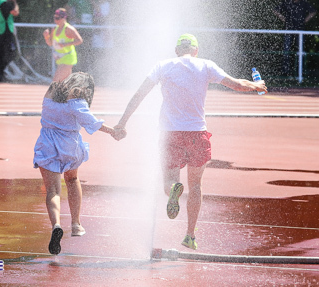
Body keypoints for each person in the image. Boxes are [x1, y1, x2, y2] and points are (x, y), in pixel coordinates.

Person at [114, 34, 267, 250]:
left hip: (170, 133)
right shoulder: (206, 65)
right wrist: (256, 85)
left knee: (169, 180)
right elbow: (236, 84)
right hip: (197, 133)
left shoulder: (163, 66)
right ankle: (190, 235)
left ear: (177, 50)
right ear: (195, 50)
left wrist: (122, 123)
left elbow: (139, 95)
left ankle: (173, 189)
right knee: (196, 184)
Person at [33, 72, 124, 255]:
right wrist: (113, 131)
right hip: (70, 145)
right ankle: (75, 224)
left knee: (52, 190)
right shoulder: (77, 102)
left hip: (47, 143)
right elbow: (92, 122)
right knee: (72, 180)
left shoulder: (52, 90)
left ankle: (56, 225)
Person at [273, 0, 317, 76]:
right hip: (288, 30)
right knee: (286, 50)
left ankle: (300, 72)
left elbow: (313, 11)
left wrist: (305, 20)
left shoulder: (304, 3)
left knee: (300, 50)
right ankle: (286, 71)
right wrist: (283, 18)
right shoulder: (287, 2)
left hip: (300, 30)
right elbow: (275, 10)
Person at [43, 8, 83, 82]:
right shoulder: (54, 28)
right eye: (54, 18)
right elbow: (50, 43)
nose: (55, 20)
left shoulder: (68, 29)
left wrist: (65, 44)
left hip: (68, 58)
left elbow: (79, 40)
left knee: (55, 82)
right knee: (65, 85)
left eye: (57, 18)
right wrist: (46, 37)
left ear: (63, 18)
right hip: (59, 59)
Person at [66, 0, 96, 73]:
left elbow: (98, 10)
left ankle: (87, 71)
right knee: (78, 50)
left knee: (88, 50)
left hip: (89, 29)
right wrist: (73, 18)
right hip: (79, 28)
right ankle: (75, 71)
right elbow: (65, 9)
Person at [0, 0, 20, 82]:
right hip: (5, 30)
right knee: (12, 53)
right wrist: (15, 3)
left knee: (2, 53)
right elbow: (15, 12)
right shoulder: (5, 3)